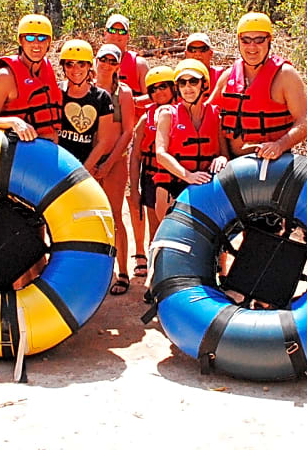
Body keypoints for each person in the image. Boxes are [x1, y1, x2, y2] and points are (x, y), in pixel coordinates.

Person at [209, 12, 307, 160]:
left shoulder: (285, 75)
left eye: (259, 40)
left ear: (269, 41)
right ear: (239, 41)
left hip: (273, 162)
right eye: (246, 40)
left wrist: (279, 145)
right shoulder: (228, 76)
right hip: (232, 163)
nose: (252, 47)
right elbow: (207, 115)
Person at [154, 59, 227, 219]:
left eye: (193, 82)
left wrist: (222, 159)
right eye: (182, 83)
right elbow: (160, 153)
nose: (188, 88)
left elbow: (224, 152)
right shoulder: (167, 115)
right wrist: (187, 175)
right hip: (172, 186)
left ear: (204, 85)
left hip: (205, 186)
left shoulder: (216, 115)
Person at [92, 43, 137, 292]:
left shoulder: (124, 93)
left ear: (118, 65)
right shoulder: (84, 89)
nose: (107, 64)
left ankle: (122, 272)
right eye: (103, 59)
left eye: (112, 60)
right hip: (88, 161)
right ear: (95, 60)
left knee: (114, 216)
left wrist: (109, 163)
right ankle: (97, 273)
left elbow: (128, 130)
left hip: (115, 162)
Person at [129, 66, 177, 285]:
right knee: (156, 227)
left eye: (164, 87)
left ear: (173, 87)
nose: (159, 93)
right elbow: (135, 155)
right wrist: (134, 187)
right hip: (152, 176)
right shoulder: (145, 119)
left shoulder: (185, 111)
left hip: (178, 178)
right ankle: (155, 277)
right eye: (154, 89)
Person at [0, 14, 61, 142]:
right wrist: (13, 122)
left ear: (48, 42)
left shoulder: (47, 67)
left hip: (49, 151)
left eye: (42, 38)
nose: (36, 44)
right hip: (20, 153)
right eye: (29, 38)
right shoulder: (6, 76)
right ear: (21, 41)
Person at [56, 39, 117, 170]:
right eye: (69, 64)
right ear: (63, 67)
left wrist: (83, 171)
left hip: (83, 167)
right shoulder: (55, 92)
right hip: (56, 165)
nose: (75, 69)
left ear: (89, 66)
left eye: (81, 64)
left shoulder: (102, 98)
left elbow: (103, 141)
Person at [104, 14, 150, 120]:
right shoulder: (94, 64)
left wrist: (129, 101)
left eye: (122, 32)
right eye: (112, 30)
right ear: (105, 33)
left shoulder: (139, 65)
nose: (116, 35)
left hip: (133, 128)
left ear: (128, 36)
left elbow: (154, 97)